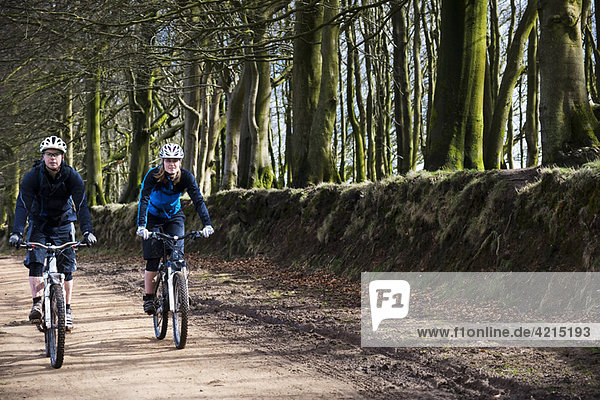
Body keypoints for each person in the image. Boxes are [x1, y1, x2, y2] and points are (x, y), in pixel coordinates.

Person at [9, 136, 97, 331]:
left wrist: (88, 231)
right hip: (39, 224)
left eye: (56, 154)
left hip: (64, 224)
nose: (53, 158)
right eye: (49, 154)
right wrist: (16, 232)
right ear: (43, 157)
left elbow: (81, 205)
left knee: (67, 269)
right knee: (36, 262)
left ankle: (67, 309)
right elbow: (22, 205)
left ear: (62, 157)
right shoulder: (32, 176)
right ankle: (36, 304)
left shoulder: (71, 176)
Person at [136, 143, 214, 314]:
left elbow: (198, 200)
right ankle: (149, 298)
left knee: (177, 257)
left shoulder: (186, 177)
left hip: (174, 216)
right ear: (162, 161)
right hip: (153, 217)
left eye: (176, 160)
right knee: (153, 260)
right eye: (168, 160)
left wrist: (207, 224)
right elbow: (144, 200)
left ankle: (180, 291)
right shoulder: (153, 175)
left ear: (180, 161)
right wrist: (142, 225)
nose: (172, 164)